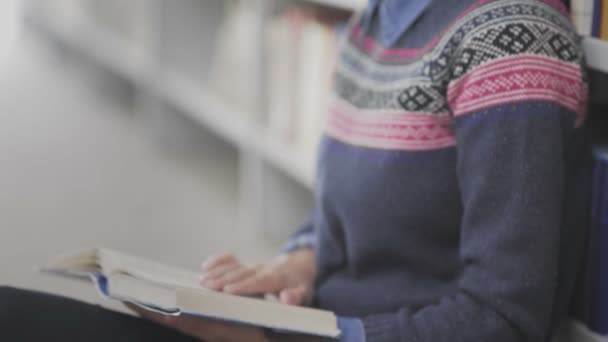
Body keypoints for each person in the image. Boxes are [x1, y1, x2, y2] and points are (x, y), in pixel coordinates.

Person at [0, 0, 591, 341]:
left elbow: (505, 320)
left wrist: (272, 337)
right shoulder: (377, 20)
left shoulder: (517, 40)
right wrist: (301, 260)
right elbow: (351, 210)